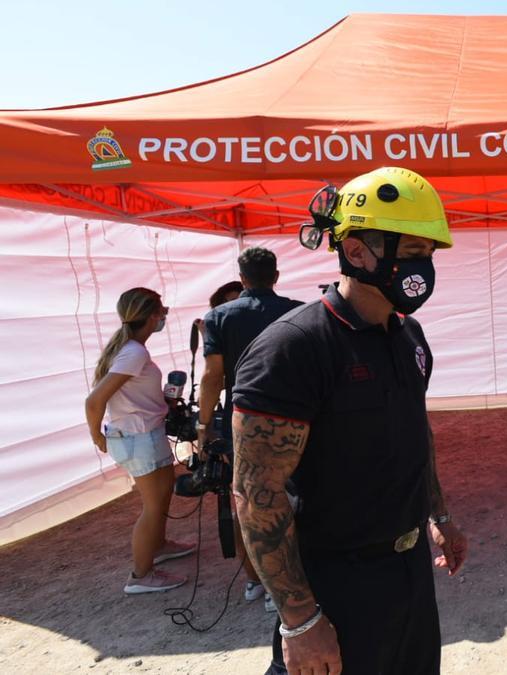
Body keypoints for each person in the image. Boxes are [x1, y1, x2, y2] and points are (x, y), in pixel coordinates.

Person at [232, 167, 469, 675]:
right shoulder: (293, 348)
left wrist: (440, 515)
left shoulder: (409, 336)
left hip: (408, 573)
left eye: (429, 255)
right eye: (410, 253)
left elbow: (414, 432)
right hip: (334, 583)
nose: (423, 268)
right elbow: (257, 494)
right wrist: (299, 620)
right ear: (357, 251)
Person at [197, 248, 301, 611]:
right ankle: (290, 582)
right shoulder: (299, 310)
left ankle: (258, 581)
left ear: (241, 279)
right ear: (276, 275)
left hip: (242, 419)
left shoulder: (218, 317)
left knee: (250, 502)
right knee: (296, 498)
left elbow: (212, 376)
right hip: (297, 416)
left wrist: (203, 424)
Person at [84, 287, 195, 594]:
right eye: (163, 311)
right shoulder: (134, 352)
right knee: (152, 505)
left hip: (142, 434)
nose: (165, 317)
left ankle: (158, 546)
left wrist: (162, 402)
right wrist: (97, 437)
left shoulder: (130, 350)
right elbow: (94, 402)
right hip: (138, 438)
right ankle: (141, 575)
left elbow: (128, 395)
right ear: (151, 315)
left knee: (162, 496)